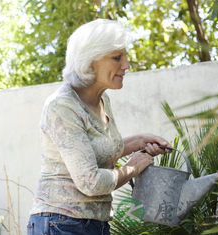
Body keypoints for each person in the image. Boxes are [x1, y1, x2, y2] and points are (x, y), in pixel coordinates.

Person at [27, 19, 171, 235]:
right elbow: (91, 182)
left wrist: (139, 141)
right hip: (61, 223)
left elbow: (95, 152)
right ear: (90, 61)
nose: (127, 65)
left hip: (95, 224)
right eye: (116, 58)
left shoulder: (103, 101)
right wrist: (132, 168)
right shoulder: (63, 106)